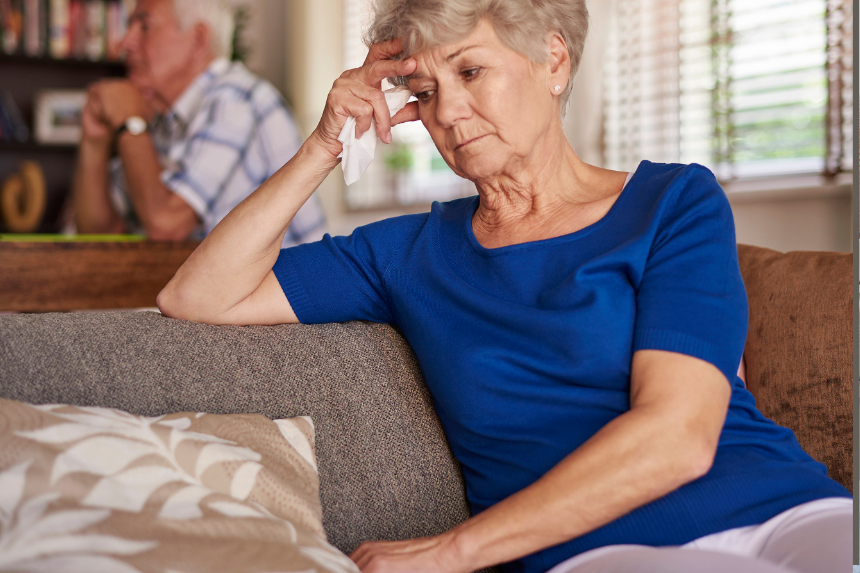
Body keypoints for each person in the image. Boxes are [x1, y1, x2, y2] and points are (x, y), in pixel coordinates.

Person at [156, 1, 852, 572]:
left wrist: (453, 551)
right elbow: (197, 296)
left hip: (788, 507)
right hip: (600, 552)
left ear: (553, 60)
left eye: (471, 70)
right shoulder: (408, 252)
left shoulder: (673, 202)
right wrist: (323, 145)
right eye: (425, 92)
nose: (448, 113)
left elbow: (680, 436)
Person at [72, 0, 326, 247]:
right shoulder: (164, 119)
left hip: (297, 290)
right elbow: (100, 235)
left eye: (144, 27)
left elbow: (166, 227)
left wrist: (131, 123)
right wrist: (94, 140)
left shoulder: (236, 100)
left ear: (198, 39)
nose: (124, 43)